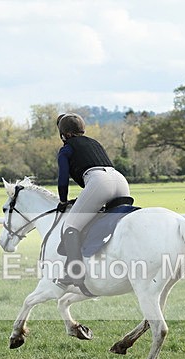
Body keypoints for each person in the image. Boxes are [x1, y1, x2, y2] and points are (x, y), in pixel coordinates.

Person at [55, 112, 130, 287]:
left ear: (64, 134)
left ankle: (74, 273)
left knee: (70, 226)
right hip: (120, 180)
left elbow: (63, 179)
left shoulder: (66, 149)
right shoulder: (95, 143)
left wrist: (63, 201)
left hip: (99, 182)